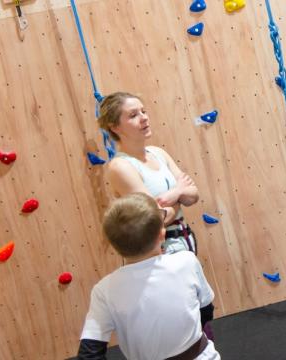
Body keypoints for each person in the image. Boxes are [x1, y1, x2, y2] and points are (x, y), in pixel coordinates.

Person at [77, 193, 219, 359]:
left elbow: (89, 353)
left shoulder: (104, 290)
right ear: (161, 234)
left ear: (113, 245)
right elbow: (206, 310)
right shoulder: (186, 261)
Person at [97, 92, 200, 254]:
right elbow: (153, 220)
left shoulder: (158, 153)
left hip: (185, 241)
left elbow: (193, 194)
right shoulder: (121, 167)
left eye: (143, 111)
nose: (144, 117)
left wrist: (174, 194)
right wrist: (180, 192)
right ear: (115, 127)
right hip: (159, 252)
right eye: (133, 115)